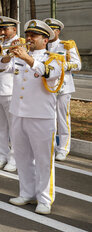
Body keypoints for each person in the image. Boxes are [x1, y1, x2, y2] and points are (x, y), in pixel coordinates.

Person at [1, 20, 64, 215]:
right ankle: (26, 192)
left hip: (41, 116)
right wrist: (5, 55)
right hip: (18, 113)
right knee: (22, 156)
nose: (28, 38)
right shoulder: (19, 55)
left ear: (45, 40)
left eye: (33, 36)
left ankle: (45, 198)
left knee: (43, 159)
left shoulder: (54, 58)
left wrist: (27, 58)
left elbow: (48, 73)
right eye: (27, 35)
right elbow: (1, 69)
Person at [0, 16, 20, 172]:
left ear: (14, 29)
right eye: (1, 29)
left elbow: (15, 68)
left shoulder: (20, 43)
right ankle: (2, 156)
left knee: (13, 127)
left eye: (5, 29)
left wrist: (10, 53)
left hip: (10, 89)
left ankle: (14, 159)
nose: (2, 32)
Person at [46, 18, 80, 161]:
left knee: (62, 118)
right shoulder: (43, 46)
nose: (49, 33)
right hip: (47, 87)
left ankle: (64, 148)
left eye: (52, 30)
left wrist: (63, 65)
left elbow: (77, 65)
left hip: (63, 87)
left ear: (58, 31)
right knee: (49, 118)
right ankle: (51, 146)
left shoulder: (66, 46)